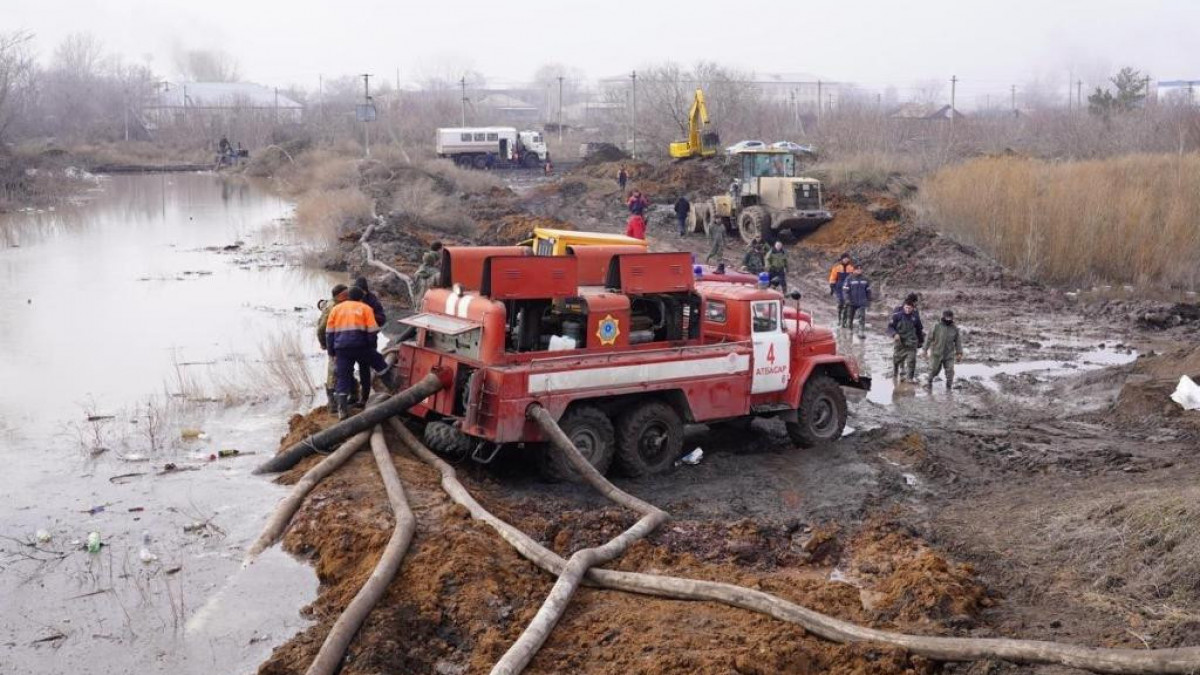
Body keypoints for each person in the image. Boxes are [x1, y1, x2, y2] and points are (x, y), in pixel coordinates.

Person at [326, 286, 395, 420]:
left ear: (348, 296)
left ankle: (342, 411)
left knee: (343, 377)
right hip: (361, 347)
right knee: (379, 363)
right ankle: (394, 389)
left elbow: (329, 334)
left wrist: (332, 352)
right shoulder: (366, 309)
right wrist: (370, 347)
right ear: (361, 298)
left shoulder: (336, 309)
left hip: (342, 349)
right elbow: (372, 331)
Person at [316, 283, 350, 410]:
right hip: (336, 343)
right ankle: (333, 403)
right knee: (334, 372)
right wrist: (324, 344)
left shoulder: (337, 304)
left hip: (343, 341)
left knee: (342, 369)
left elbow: (321, 328)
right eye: (346, 294)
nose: (348, 296)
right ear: (340, 296)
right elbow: (321, 328)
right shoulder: (332, 307)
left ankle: (344, 399)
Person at [887, 297, 925, 382]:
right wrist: (894, 334)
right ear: (904, 307)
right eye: (906, 307)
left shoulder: (915, 318)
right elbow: (890, 327)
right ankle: (895, 373)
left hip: (912, 343)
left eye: (909, 308)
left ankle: (910, 378)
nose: (907, 309)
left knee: (912, 360)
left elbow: (919, 330)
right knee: (897, 359)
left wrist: (921, 342)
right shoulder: (897, 316)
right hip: (900, 343)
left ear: (913, 308)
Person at [924, 309, 963, 391]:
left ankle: (948, 388)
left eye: (950, 318)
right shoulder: (936, 326)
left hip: (948, 354)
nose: (948, 319)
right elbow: (929, 339)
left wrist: (959, 353)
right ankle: (929, 384)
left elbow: (958, 342)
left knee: (950, 371)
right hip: (936, 353)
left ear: (952, 318)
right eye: (947, 317)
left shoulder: (954, 328)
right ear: (943, 317)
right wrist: (925, 350)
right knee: (933, 370)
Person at [828, 252, 856, 328]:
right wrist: (832, 287)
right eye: (845, 258)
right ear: (842, 259)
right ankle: (840, 319)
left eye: (847, 258)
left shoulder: (851, 268)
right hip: (839, 288)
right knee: (841, 302)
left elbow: (854, 278)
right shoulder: (836, 268)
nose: (846, 260)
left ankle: (845, 320)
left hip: (847, 288)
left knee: (847, 304)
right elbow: (832, 278)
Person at [843, 266, 871, 338]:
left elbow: (868, 290)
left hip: (862, 301)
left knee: (862, 316)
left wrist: (868, 300)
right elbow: (845, 290)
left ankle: (861, 331)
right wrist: (847, 299)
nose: (859, 271)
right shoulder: (849, 278)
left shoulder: (865, 279)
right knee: (850, 316)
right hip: (851, 301)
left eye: (860, 269)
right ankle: (850, 329)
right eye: (857, 269)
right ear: (854, 270)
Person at [413, 241, 443, 307]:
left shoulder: (417, 273)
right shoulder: (437, 275)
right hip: (431, 306)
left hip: (419, 304)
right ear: (435, 261)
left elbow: (414, 291)